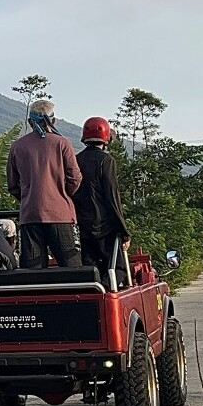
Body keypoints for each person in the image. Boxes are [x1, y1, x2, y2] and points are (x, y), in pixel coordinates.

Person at [6, 99, 82, 268]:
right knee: (72, 269)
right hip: (60, 215)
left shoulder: (17, 147)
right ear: (53, 121)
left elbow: (12, 184)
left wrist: (28, 197)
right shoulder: (62, 144)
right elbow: (75, 178)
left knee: (32, 273)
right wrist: (61, 194)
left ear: (30, 122)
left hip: (30, 215)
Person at [73, 117, 131, 282]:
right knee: (117, 270)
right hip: (105, 228)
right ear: (106, 138)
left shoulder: (77, 160)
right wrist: (124, 232)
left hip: (83, 226)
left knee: (91, 271)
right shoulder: (106, 161)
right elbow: (112, 197)